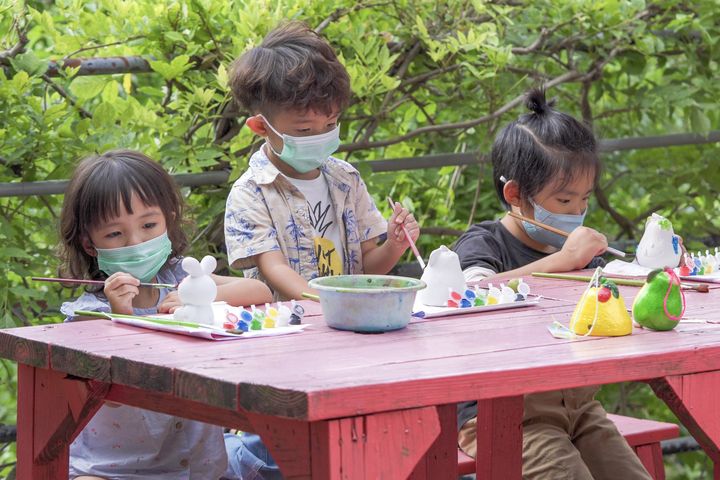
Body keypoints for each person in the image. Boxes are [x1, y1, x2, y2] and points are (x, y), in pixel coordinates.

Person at [452, 89, 652, 480]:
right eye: (563, 201)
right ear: (515, 194)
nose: (577, 214)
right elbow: (470, 298)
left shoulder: (577, 251)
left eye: (584, 201)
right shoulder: (484, 243)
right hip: (501, 414)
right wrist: (565, 261)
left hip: (578, 407)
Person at [58, 149, 273, 479]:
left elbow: (260, 292)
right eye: (115, 233)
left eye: (148, 224)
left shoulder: (181, 278)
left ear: (168, 220)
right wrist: (122, 314)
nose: (136, 240)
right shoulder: (90, 315)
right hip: (116, 471)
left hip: (200, 470)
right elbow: (109, 397)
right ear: (90, 244)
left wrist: (202, 295)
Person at [224, 21, 420, 302]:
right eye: (304, 130)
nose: (319, 136)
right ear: (261, 127)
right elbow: (273, 268)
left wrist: (394, 245)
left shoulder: (346, 179)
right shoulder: (251, 193)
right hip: (291, 329)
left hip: (350, 318)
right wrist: (330, 301)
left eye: (330, 124)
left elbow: (365, 267)